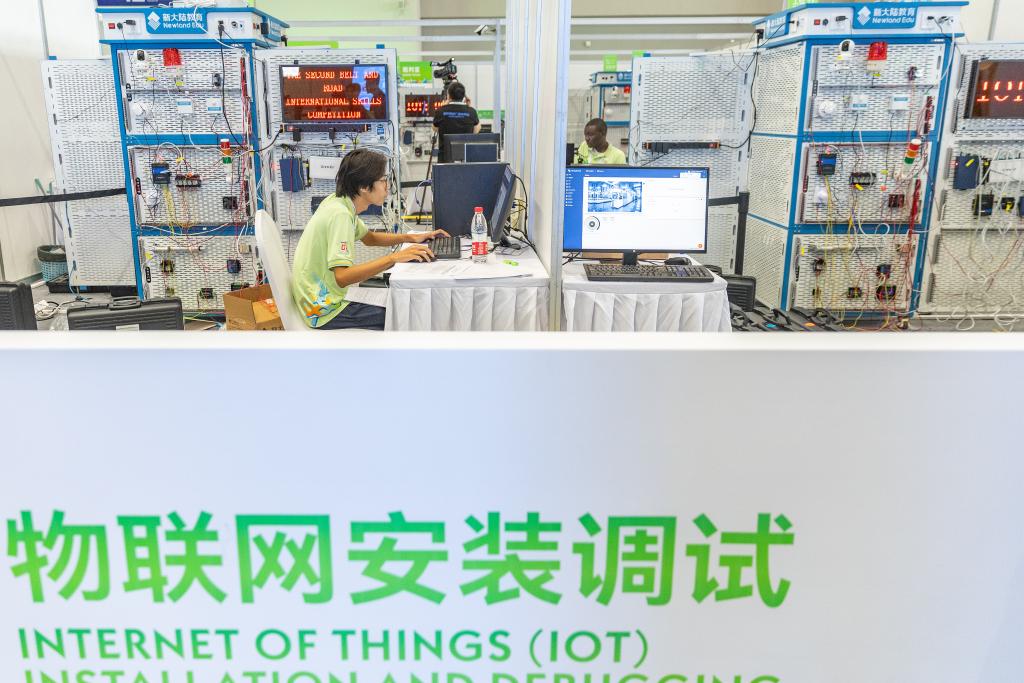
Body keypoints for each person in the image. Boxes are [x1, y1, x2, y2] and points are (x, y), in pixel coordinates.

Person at [291, 149, 448, 330]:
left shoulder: (339, 202)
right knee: (408, 313)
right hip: (325, 310)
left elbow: (370, 238)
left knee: (404, 304)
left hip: (318, 300)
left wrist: (410, 237)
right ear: (364, 187)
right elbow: (342, 277)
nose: (387, 186)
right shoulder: (340, 215)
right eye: (383, 180)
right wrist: (394, 258)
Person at [432, 81, 481, 163]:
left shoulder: (440, 111)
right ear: (464, 96)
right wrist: (469, 107)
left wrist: (443, 107)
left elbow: (435, 128)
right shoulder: (472, 112)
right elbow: (476, 130)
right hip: (465, 159)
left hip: (445, 159)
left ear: (448, 96)